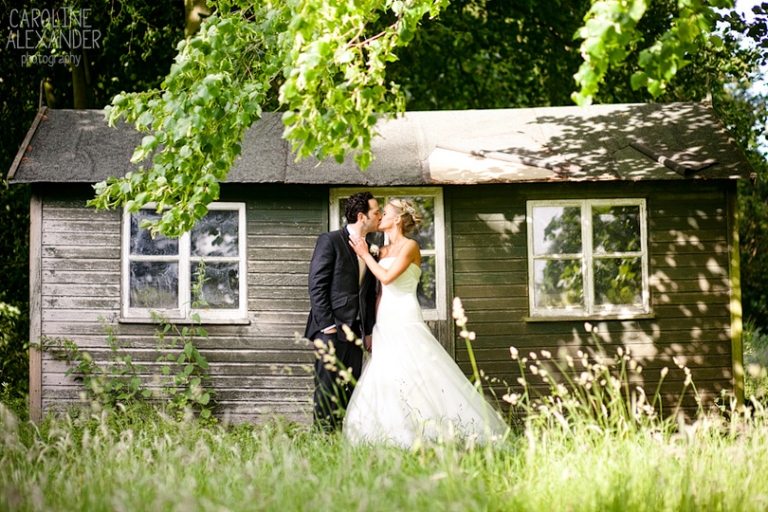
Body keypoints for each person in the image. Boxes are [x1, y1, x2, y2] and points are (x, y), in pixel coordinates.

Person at [343, 199, 507, 447]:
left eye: (385, 213)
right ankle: (390, 433)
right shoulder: (381, 251)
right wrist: (373, 328)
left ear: (397, 219)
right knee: (386, 371)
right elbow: (379, 293)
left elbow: (386, 278)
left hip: (405, 314)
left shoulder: (411, 246)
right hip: (384, 318)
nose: (380, 217)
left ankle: (437, 430)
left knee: (416, 370)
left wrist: (364, 254)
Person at [305, 192, 381, 431]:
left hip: (356, 333)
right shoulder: (330, 241)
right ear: (362, 216)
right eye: (376, 212)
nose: (379, 216)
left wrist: (368, 331)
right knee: (327, 390)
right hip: (331, 330)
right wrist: (327, 324)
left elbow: (368, 294)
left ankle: (344, 441)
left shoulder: (369, 248)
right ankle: (322, 441)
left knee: (352, 389)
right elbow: (316, 284)